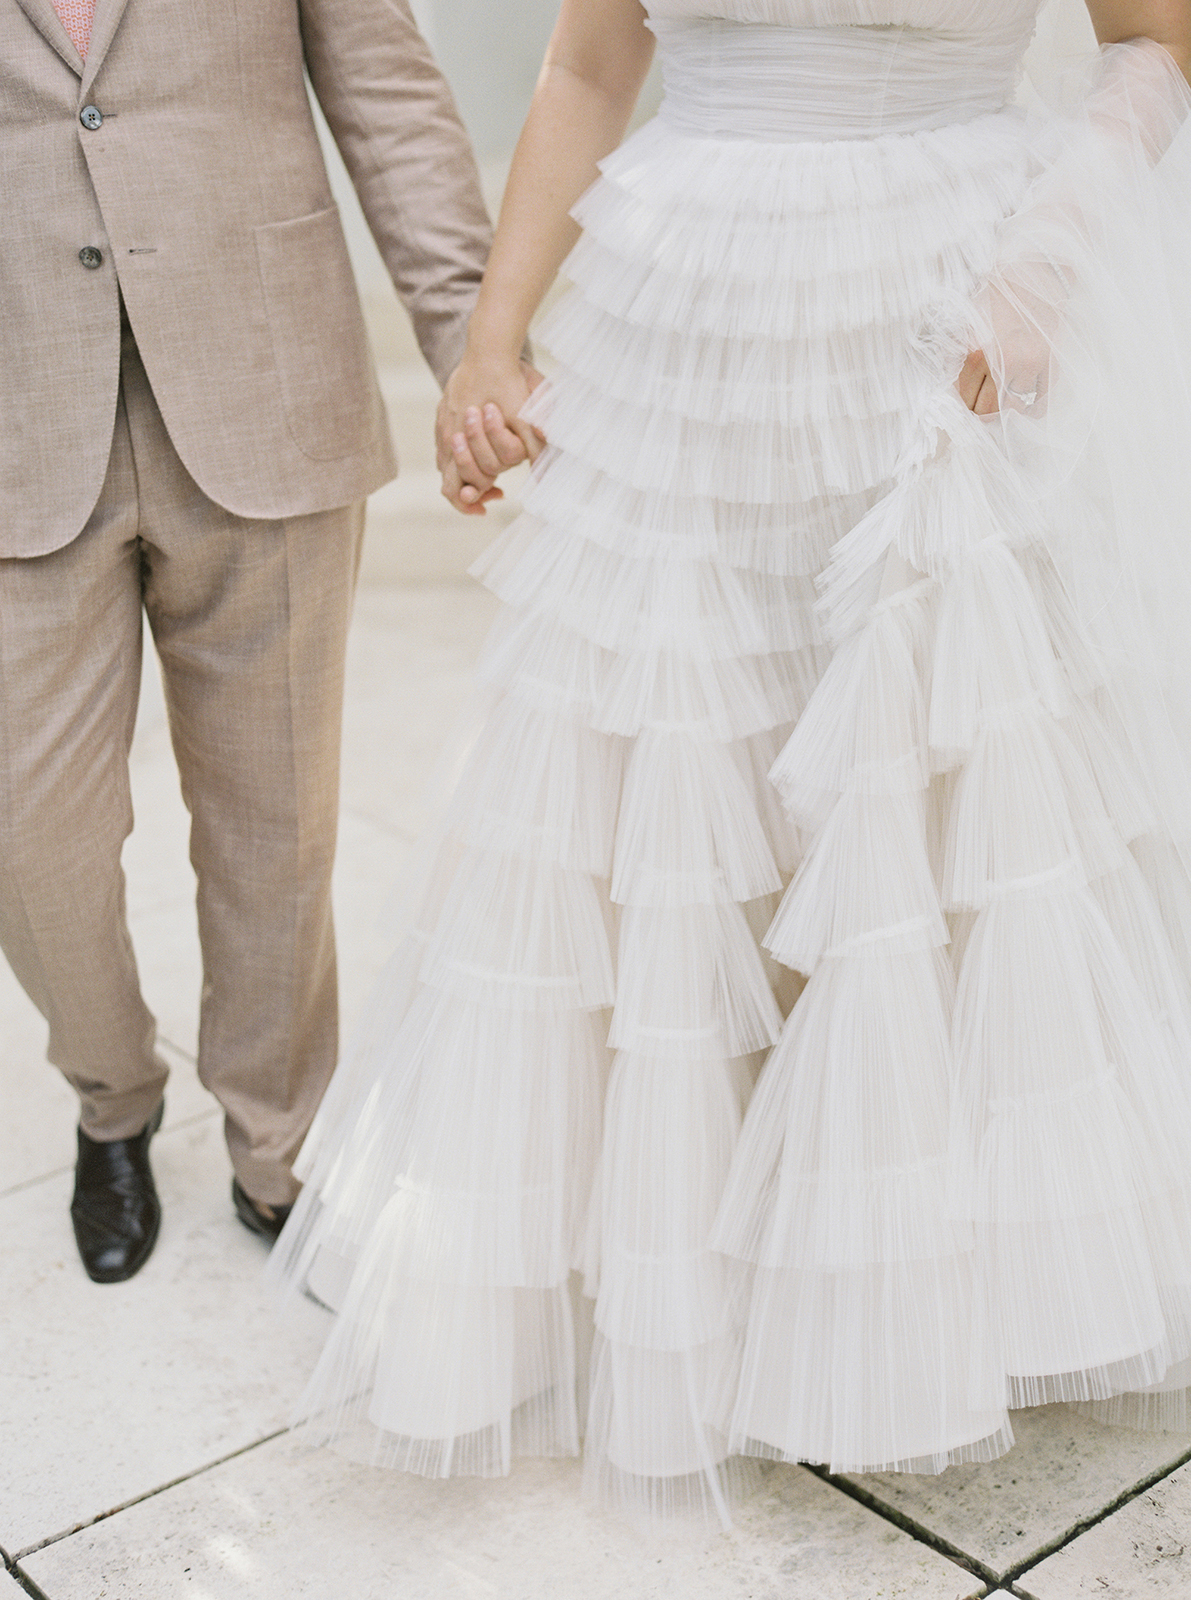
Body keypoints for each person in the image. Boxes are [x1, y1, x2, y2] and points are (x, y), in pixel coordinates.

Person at [273, 0, 1191, 1522]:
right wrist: (491, 341)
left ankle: (913, 1289)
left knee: (929, 795)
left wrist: (1049, 256)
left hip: (950, 297)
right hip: (681, 321)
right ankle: (689, 1260)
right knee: (677, 793)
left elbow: (1152, 43)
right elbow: (587, 58)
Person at [0, 0, 494, 1283]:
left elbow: (388, 100)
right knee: (27, 833)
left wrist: (470, 346)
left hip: (264, 381)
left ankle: (282, 1141)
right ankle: (114, 1095)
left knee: (274, 820)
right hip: (15, 417)